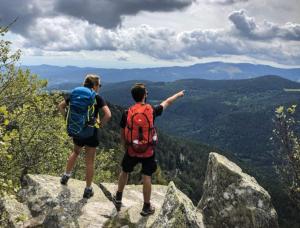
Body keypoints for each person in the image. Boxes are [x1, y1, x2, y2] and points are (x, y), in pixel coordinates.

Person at [113, 83, 184, 216]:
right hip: (148, 151)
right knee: (147, 176)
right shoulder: (151, 110)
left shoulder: (127, 112)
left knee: (125, 171)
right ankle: (146, 207)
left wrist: (125, 146)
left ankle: (118, 198)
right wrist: (178, 95)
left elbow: (122, 132)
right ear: (145, 95)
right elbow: (167, 102)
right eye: (146, 92)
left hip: (131, 149)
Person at [58, 74, 111, 198]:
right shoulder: (96, 97)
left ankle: (66, 176)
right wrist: (100, 125)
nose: (100, 88)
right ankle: (88, 189)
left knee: (75, 152)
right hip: (91, 132)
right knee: (89, 162)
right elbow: (108, 115)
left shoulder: (75, 93)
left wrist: (67, 119)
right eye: (99, 85)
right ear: (95, 85)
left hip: (77, 129)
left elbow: (61, 106)